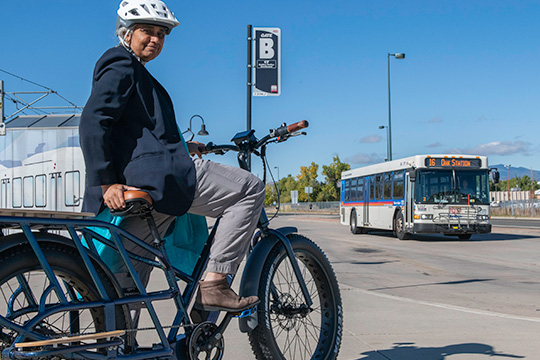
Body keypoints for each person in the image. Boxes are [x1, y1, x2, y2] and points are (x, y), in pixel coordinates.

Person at [79, 0, 264, 313]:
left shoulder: (134, 70)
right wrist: (106, 181)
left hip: (147, 187)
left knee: (129, 279)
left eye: (161, 34)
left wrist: (184, 146)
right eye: (147, 31)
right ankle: (215, 283)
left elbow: (135, 133)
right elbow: (94, 120)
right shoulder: (121, 64)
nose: (155, 39)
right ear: (126, 33)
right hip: (156, 182)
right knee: (249, 188)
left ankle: (121, 346)